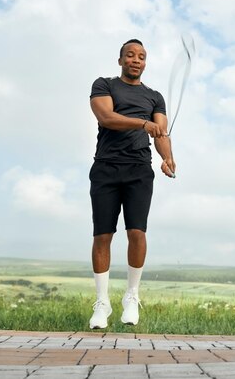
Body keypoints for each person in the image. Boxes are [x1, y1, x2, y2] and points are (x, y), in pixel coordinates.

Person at [88, 38, 175, 328]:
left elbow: (160, 132)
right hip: (106, 168)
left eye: (141, 56)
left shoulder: (155, 97)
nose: (136, 60)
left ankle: (131, 296)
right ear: (120, 60)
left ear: (145, 63)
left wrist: (167, 158)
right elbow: (107, 117)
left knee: (137, 232)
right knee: (103, 236)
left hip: (139, 170)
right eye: (130, 55)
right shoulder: (104, 85)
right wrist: (142, 123)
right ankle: (102, 304)